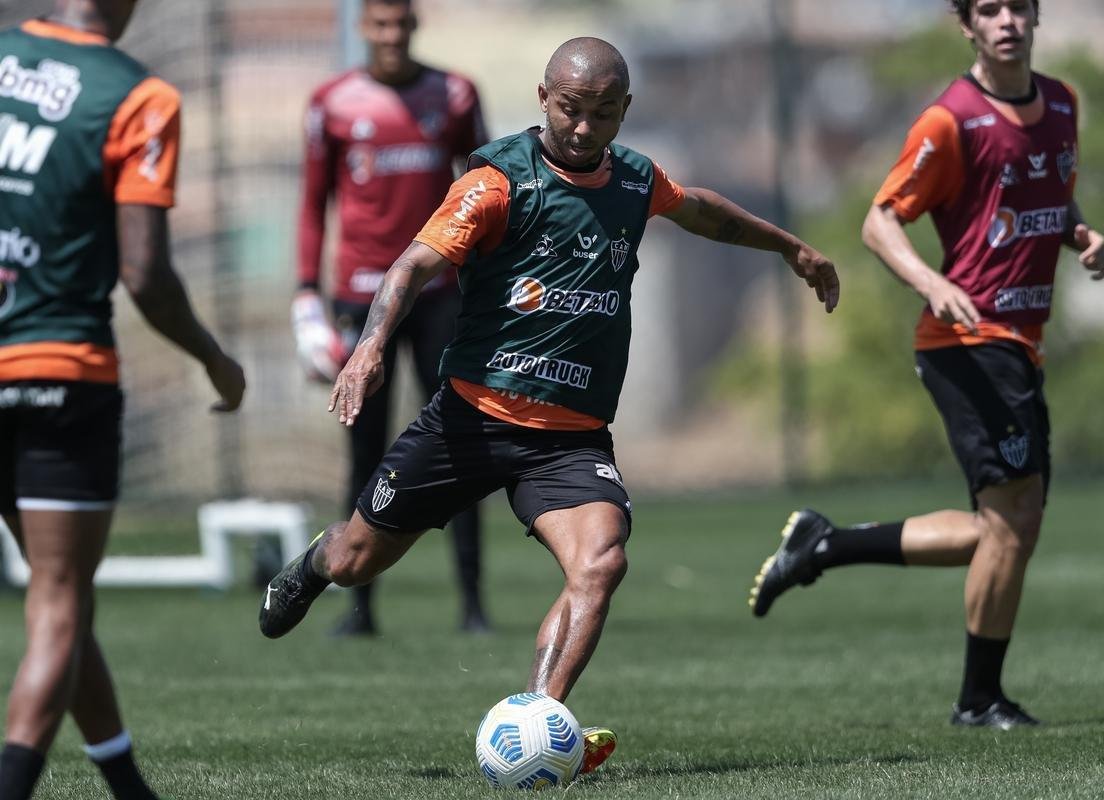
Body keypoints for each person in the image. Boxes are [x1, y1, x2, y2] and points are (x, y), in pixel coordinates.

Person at [260, 36, 838, 775]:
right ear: (543, 100)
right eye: (570, 109)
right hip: (468, 420)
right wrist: (371, 348)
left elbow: (701, 212)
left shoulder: (634, 181)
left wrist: (792, 249)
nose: (583, 127)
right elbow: (412, 264)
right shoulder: (498, 182)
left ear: (624, 111)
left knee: (600, 564)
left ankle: (538, 727)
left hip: (569, 440)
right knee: (356, 560)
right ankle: (312, 563)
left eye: (602, 113)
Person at [748, 0, 1104, 730]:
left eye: (1017, 6)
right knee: (1014, 521)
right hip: (967, 344)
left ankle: (823, 545)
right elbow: (879, 220)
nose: (1005, 19)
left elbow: (1039, 199)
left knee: (1005, 527)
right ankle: (978, 701)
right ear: (966, 24)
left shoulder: (1062, 102)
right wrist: (933, 283)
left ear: (1035, 16)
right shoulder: (950, 119)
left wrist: (1079, 233)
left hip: (1017, 340)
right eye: (987, 8)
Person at [0, 2, 246, 798]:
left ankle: (127, 784)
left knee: (53, 595)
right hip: (58, 371)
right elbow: (145, 275)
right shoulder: (138, 97)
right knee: (60, 599)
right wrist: (212, 359)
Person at [292, 0, 491, 637]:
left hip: (439, 293)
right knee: (365, 449)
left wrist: (485, 277)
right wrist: (305, 295)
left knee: (461, 446)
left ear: (414, 24)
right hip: (361, 297)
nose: (391, 35)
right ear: (363, 28)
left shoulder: (455, 94)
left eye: (400, 23)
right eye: (379, 24)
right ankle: (360, 609)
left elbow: (484, 186)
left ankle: (473, 606)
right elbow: (312, 205)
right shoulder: (333, 103)